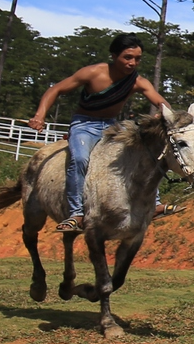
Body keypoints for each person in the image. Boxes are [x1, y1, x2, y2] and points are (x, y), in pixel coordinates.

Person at [27, 34, 170, 234]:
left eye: (137, 59)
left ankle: (154, 204)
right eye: (127, 57)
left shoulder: (138, 82)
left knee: (142, 154)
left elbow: (162, 103)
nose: (132, 63)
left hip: (112, 127)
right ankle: (76, 214)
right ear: (114, 56)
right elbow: (55, 89)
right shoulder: (92, 73)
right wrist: (39, 116)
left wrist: (163, 115)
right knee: (79, 159)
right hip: (84, 126)